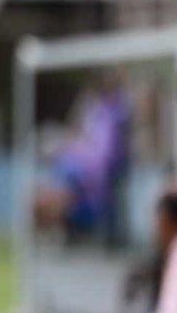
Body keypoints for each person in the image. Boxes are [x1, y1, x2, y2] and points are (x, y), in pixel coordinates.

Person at [33, 73, 131, 240]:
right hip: (90, 170)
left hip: (106, 167)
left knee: (113, 206)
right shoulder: (96, 112)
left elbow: (106, 146)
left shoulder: (117, 112)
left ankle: (112, 237)